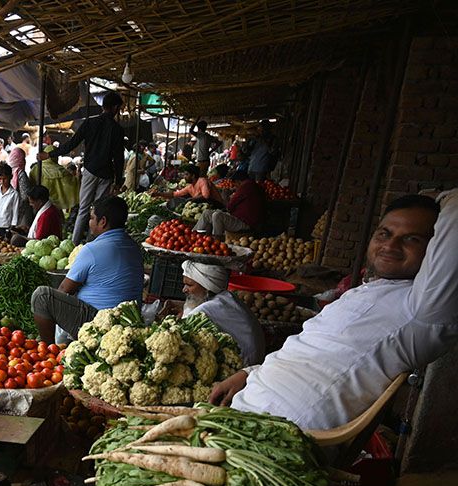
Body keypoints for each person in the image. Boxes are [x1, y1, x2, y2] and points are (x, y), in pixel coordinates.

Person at [211, 192, 458, 430]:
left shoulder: (423, 308)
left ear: (433, 250)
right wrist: (249, 372)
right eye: (384, 234)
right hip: (246, 405)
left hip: (283, 429)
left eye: (411, 239)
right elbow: (311, 351)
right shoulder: (369, 291)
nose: (390, 245)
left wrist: (442, 198)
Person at [30, 196, 142, 342]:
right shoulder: (134, 247)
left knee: (41, 297)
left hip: (100, 320)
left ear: (103, 222)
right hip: (129, 318)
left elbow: (65, 289)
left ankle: (47, 349)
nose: (89, 222)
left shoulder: (92, 249)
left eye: (91, 218)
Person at [44, 92, 125, 245]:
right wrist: (118, 181)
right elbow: (119, 158)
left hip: (90, 170)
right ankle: (91, 243)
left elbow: (71, 144)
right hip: (106, 174)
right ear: (115, 108)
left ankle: (74, 244)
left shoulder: (89, 123)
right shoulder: (117, 129)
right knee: (99, 211)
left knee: (83, 209)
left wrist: (50, 154)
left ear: (103, 106)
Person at [180, 261, 263, 365]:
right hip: (256, 355)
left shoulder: (207, 309)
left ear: (206, 287)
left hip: (244, 364)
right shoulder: (227, 297)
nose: (184, 290)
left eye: (189, 285)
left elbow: (180, 333)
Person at [193, 170, 264, 237]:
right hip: (241, 218)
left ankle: (217, 241)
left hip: (245, 223)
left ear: (238, 181)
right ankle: (195, 235)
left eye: (235, 185)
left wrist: (225, 196)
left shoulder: (246, 186)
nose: (235, 187)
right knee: (207, 213)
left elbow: (229, 207)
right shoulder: (251, 185)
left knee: (217, 215)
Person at [29, 145, 77, 214]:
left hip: (39, 205)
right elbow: (73, 186)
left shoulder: (36, 169)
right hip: (56, 208)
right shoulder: (62, 172)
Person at [153, 164, 220, 206]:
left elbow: (206, 196)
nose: (184, 177)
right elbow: (175, 194)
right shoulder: (190, 187)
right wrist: (159, 194)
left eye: (186, 174)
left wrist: (190, 199)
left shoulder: (202, 181)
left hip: (217, 206)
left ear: (193, 176)